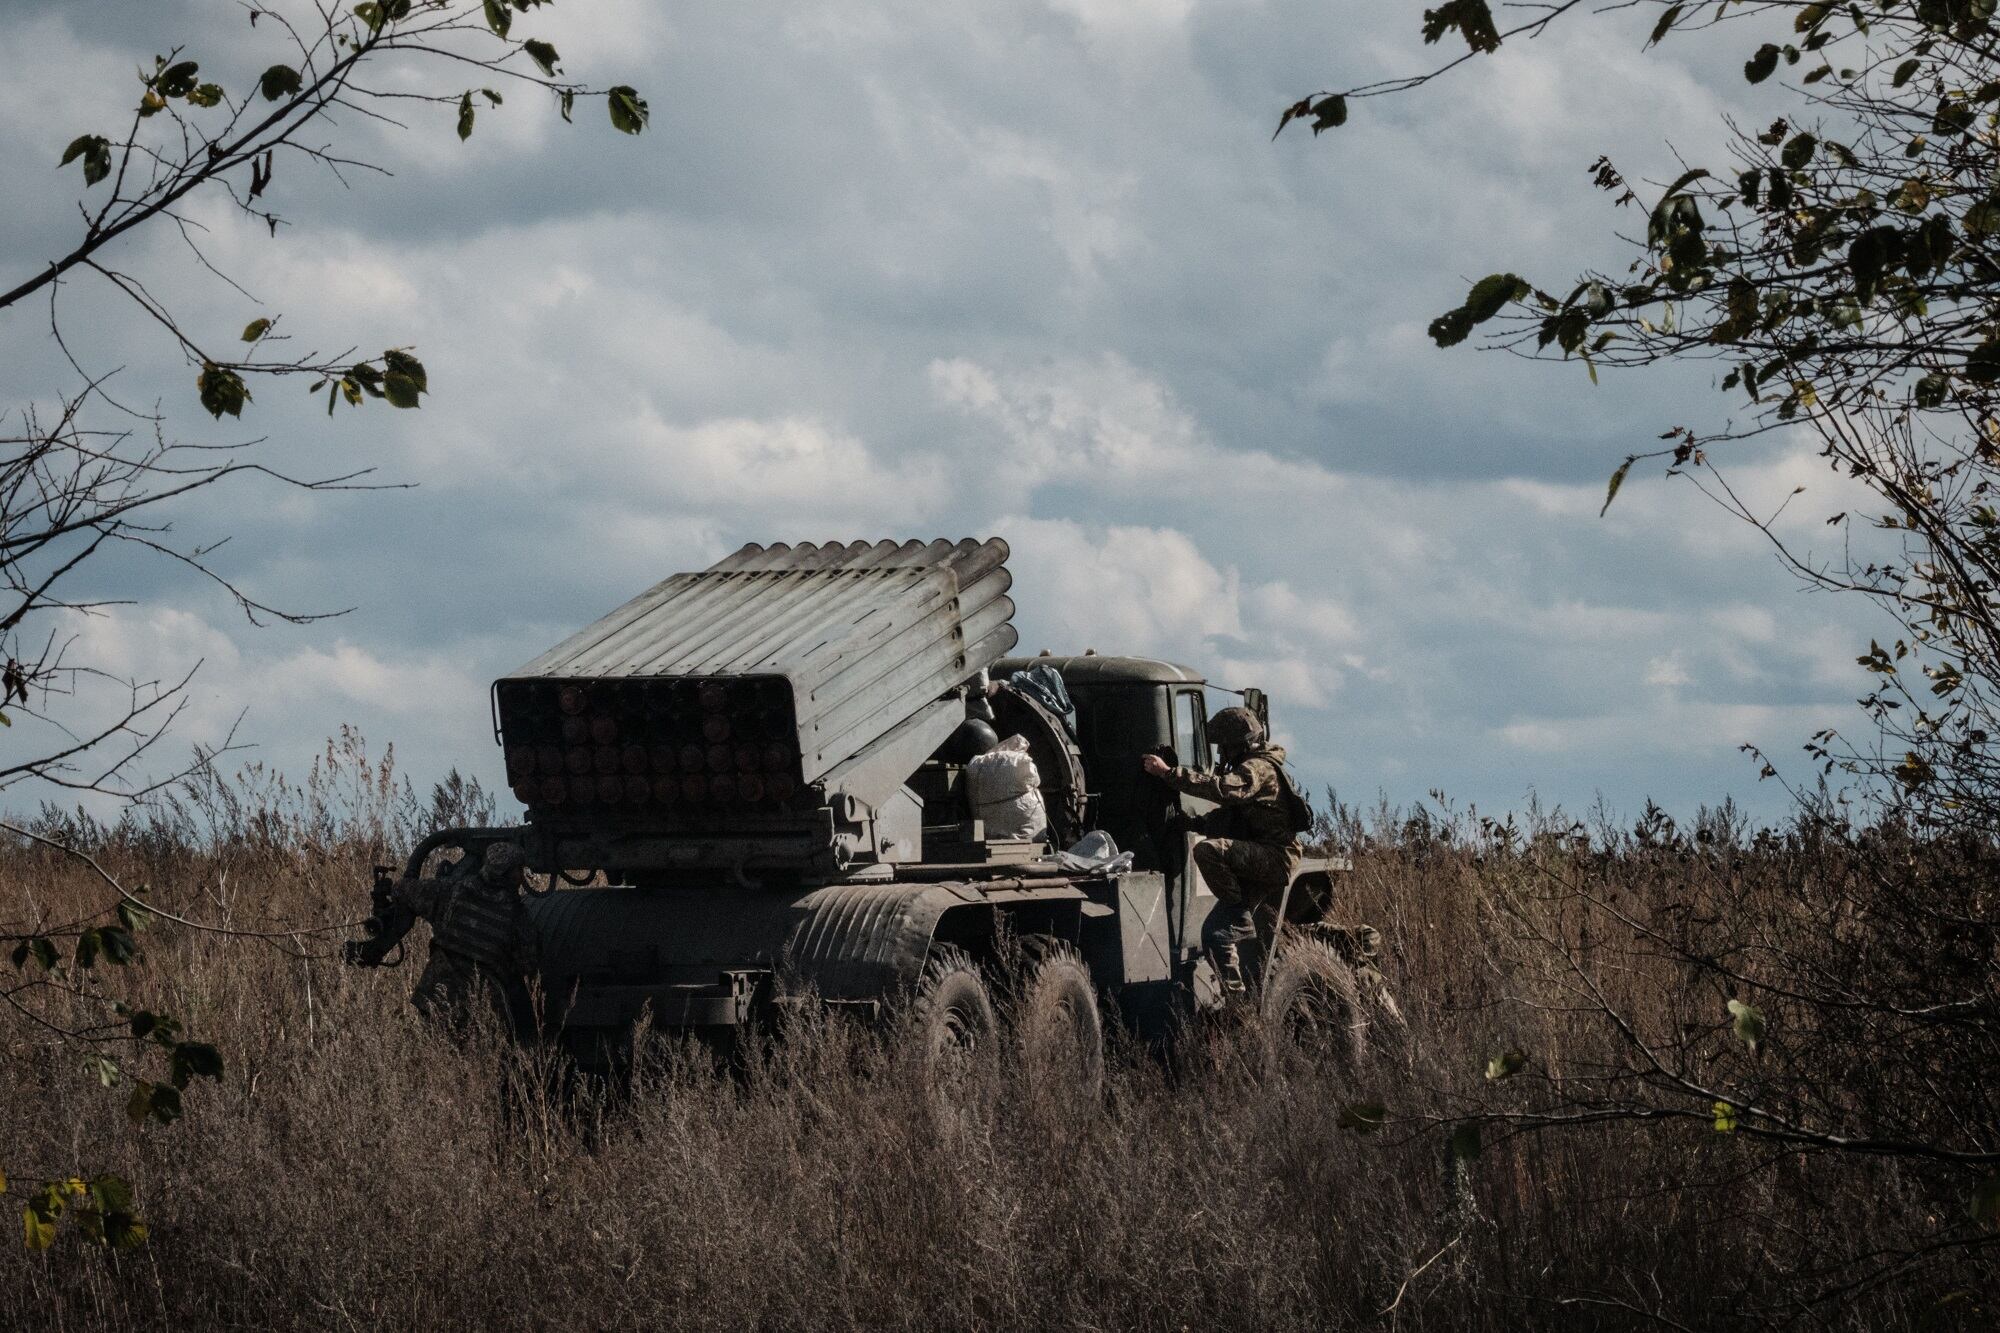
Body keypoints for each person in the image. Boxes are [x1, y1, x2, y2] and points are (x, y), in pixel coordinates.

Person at [1140, 706, 1305, 1002]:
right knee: (1216, 934)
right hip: (1260, 857)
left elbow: (1223, 790)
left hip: (1275, 857)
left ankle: (1238, 914)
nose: (1221, 755)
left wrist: (1168, 774)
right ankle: (1237, 1004)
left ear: (1236, 745)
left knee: (1207, 850)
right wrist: (1191, 823)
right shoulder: (1256, 766)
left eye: (1223, 748)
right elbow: (1229, 820)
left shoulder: (1258, 768)